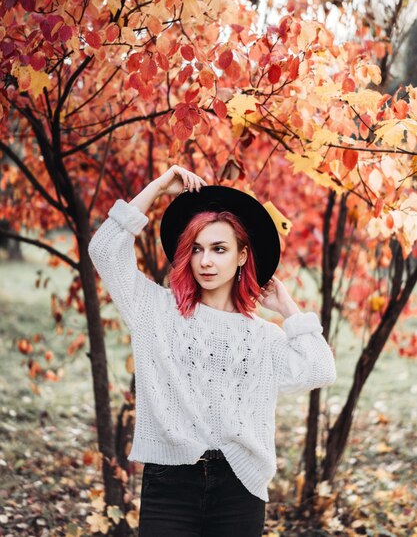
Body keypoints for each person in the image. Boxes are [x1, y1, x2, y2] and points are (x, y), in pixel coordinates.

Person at [88, 164, 337, 537]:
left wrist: (289, 310)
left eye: (219, 249)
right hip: (169, 484)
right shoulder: (155, 311)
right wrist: (157, 188)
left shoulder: (262, 337)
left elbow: (319, 369)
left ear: (241, 256)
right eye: (197, 249)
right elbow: (104, 250)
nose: (205, 261)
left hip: (240, 486)